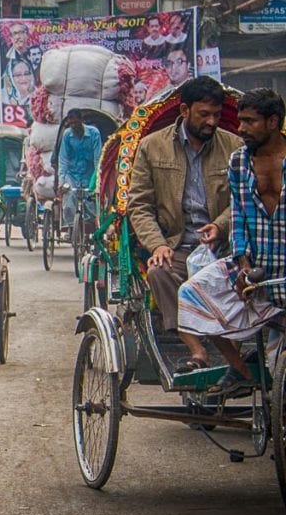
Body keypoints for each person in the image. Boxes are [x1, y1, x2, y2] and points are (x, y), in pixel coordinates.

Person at [126, 76, 243, 372]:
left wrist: (220, 225)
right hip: (176, 246)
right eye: (204, 114)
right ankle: (197, 349)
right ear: (184, 111)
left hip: (222, 247)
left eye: (216, 115)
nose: (212, 121)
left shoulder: (234, 147)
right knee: (158, 272)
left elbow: (242, 201)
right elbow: (139, 205)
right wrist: (158, 244)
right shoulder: (152, 147)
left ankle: (238, 359)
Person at [178, 88, 286, 393]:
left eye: (250, 122)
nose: (240, 129)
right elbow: (239, 218)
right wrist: (242, 264)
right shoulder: (239, 160)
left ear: (273, 121)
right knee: (192, 293)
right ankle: (242, 371)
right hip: (255, 268)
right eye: (240, 121)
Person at [57, 109, 102, 228]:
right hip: (72, 174)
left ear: (82, 121)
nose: (73, 127)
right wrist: (62, 181)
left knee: (91, 201)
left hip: (90, 173)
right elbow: (63, 159)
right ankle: (71, 227)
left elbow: (98, 158)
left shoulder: (94, 133)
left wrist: (97, 179)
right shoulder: (67, 135)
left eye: (75, 123)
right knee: (69, 199)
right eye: (71, 124)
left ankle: (91, 227)